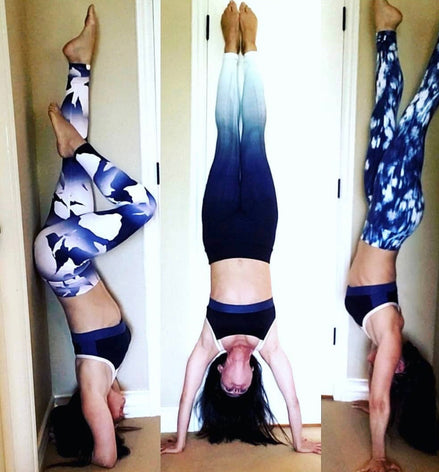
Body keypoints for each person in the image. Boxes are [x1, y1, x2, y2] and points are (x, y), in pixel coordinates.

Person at [161, 1, 320, 456]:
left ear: (219, 375)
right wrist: (300, 442)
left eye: (226, 389)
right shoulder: (269, 343)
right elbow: (292, 398)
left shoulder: (209, 341)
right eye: (241, 390)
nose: (235, 384)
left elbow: (186, 396)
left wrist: (179, 441)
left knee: (225, 136)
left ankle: (230, 47)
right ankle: (251, 49)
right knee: (254, 135)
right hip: (260, 231)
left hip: (217, 232)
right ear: (251, 378)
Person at [344, 1, 439, 471]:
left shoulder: (377, 333)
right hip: (394, 214)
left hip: (379, 208)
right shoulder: (392, 336)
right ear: (398, 365)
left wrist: (374, 401)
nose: (373, 366)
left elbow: (378, 396)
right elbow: (381, 398)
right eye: (383, 371)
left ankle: (386, 31)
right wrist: (378, 456)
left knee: (383, 115)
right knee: (417, 115)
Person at [34, 5, 156, 468]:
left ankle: (76, 145)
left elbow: (106, 459)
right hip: (68, 259)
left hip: (62, 259)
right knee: (76, 168)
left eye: (113, 420)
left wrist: (102, 424)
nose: (122, 415)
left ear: (95, 419)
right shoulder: (108, 376)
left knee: (142, 206)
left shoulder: (91, 390)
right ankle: (78, 63)